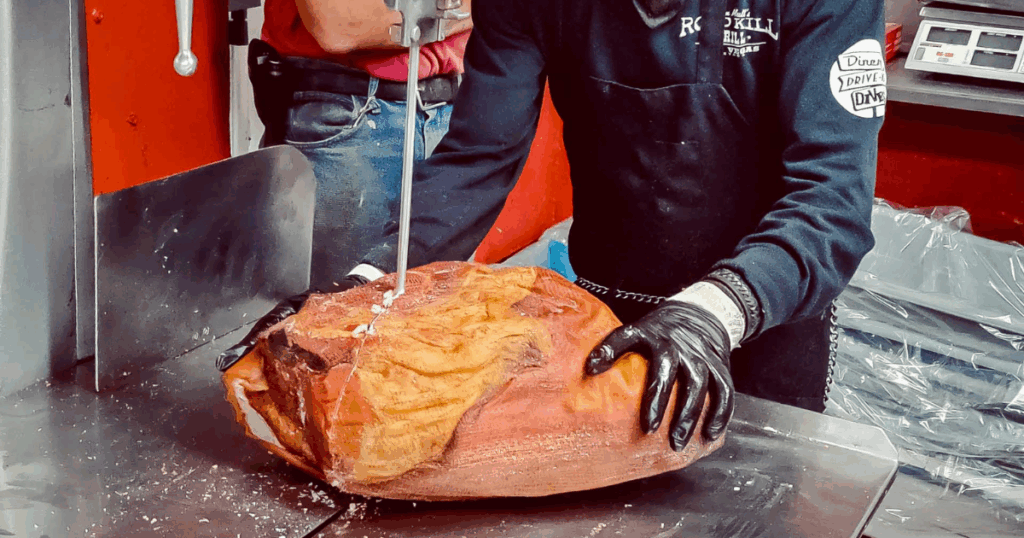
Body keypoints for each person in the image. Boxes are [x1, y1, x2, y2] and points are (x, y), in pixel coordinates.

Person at [223, 0, 886, 452]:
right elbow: (477, 160)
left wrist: (711, 314)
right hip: (605, 316)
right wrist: (366, 282)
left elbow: (831, 205)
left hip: (760, 316)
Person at [248, 0, 473, 289]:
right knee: (335, 324)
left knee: (443, 323)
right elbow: (340, 25)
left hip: (452, 113)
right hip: (349, 121)